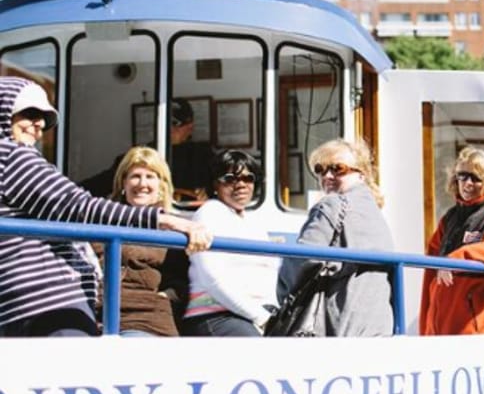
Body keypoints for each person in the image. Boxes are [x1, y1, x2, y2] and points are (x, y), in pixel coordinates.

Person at [0, 76, 211, 337]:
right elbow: (78, 207)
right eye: (30, 113)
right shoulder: (12, 155)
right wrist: (164, 220)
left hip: (21, 303)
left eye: (45, 118)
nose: (39, 124)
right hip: (48, 303)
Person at [277, 139, 394, 336]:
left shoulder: (332, 205)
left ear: (361, 174)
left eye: (337, 168)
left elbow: (302, 261)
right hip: (378, 326)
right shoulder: (376, 214)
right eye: (320, 169)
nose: (327, 175)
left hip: (340, 326)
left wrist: (281, 296)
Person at [93, 146, 211, 336]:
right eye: (135, 176)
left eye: (150, 177)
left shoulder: (176, 228)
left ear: (161, 186)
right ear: (123, 183)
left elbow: (186, 278)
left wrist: (167, 296)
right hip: (99, 314)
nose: (142, 184)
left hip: (147, 318)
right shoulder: (102, 220)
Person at [420, 146, 484, 335]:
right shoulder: (450, 217)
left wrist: (460, 257)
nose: (467, 183)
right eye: (462, 176)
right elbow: (431, 271)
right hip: (439, 328)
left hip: (474, 330)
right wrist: (425, 327)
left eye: (476, 178)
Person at [183, 150, 279, 336]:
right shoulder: (210, 213)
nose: (241, 184)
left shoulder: (254, 222)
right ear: (215, 185)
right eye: (230, 179)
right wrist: (262, 318)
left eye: (248, 178)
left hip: (255, 316)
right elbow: (213, 278)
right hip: (216, 314)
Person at [80, 97, 214, 203]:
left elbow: (225, 185)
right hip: (148, 218)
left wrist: (209, 193)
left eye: (175, 123)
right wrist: (68, 193)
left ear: (190, 126)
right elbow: (105, 182)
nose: (169, 129)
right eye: (164, 123)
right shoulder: (142, 155)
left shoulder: (204, 156)